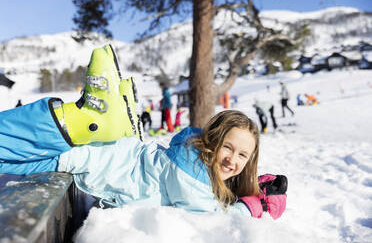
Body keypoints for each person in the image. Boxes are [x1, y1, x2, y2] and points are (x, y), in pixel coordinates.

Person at [0, 44, 287, 219]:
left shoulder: (192, 159)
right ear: (212, 141)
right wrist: (251, 208)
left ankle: (114, 122)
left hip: (110, 155)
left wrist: (250, 188)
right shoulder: (193, 175)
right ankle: (81, 120)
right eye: (228, 147)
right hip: (87, 159)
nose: (232, 160)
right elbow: (211, 220)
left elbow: (214, 194)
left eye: (242, 155)